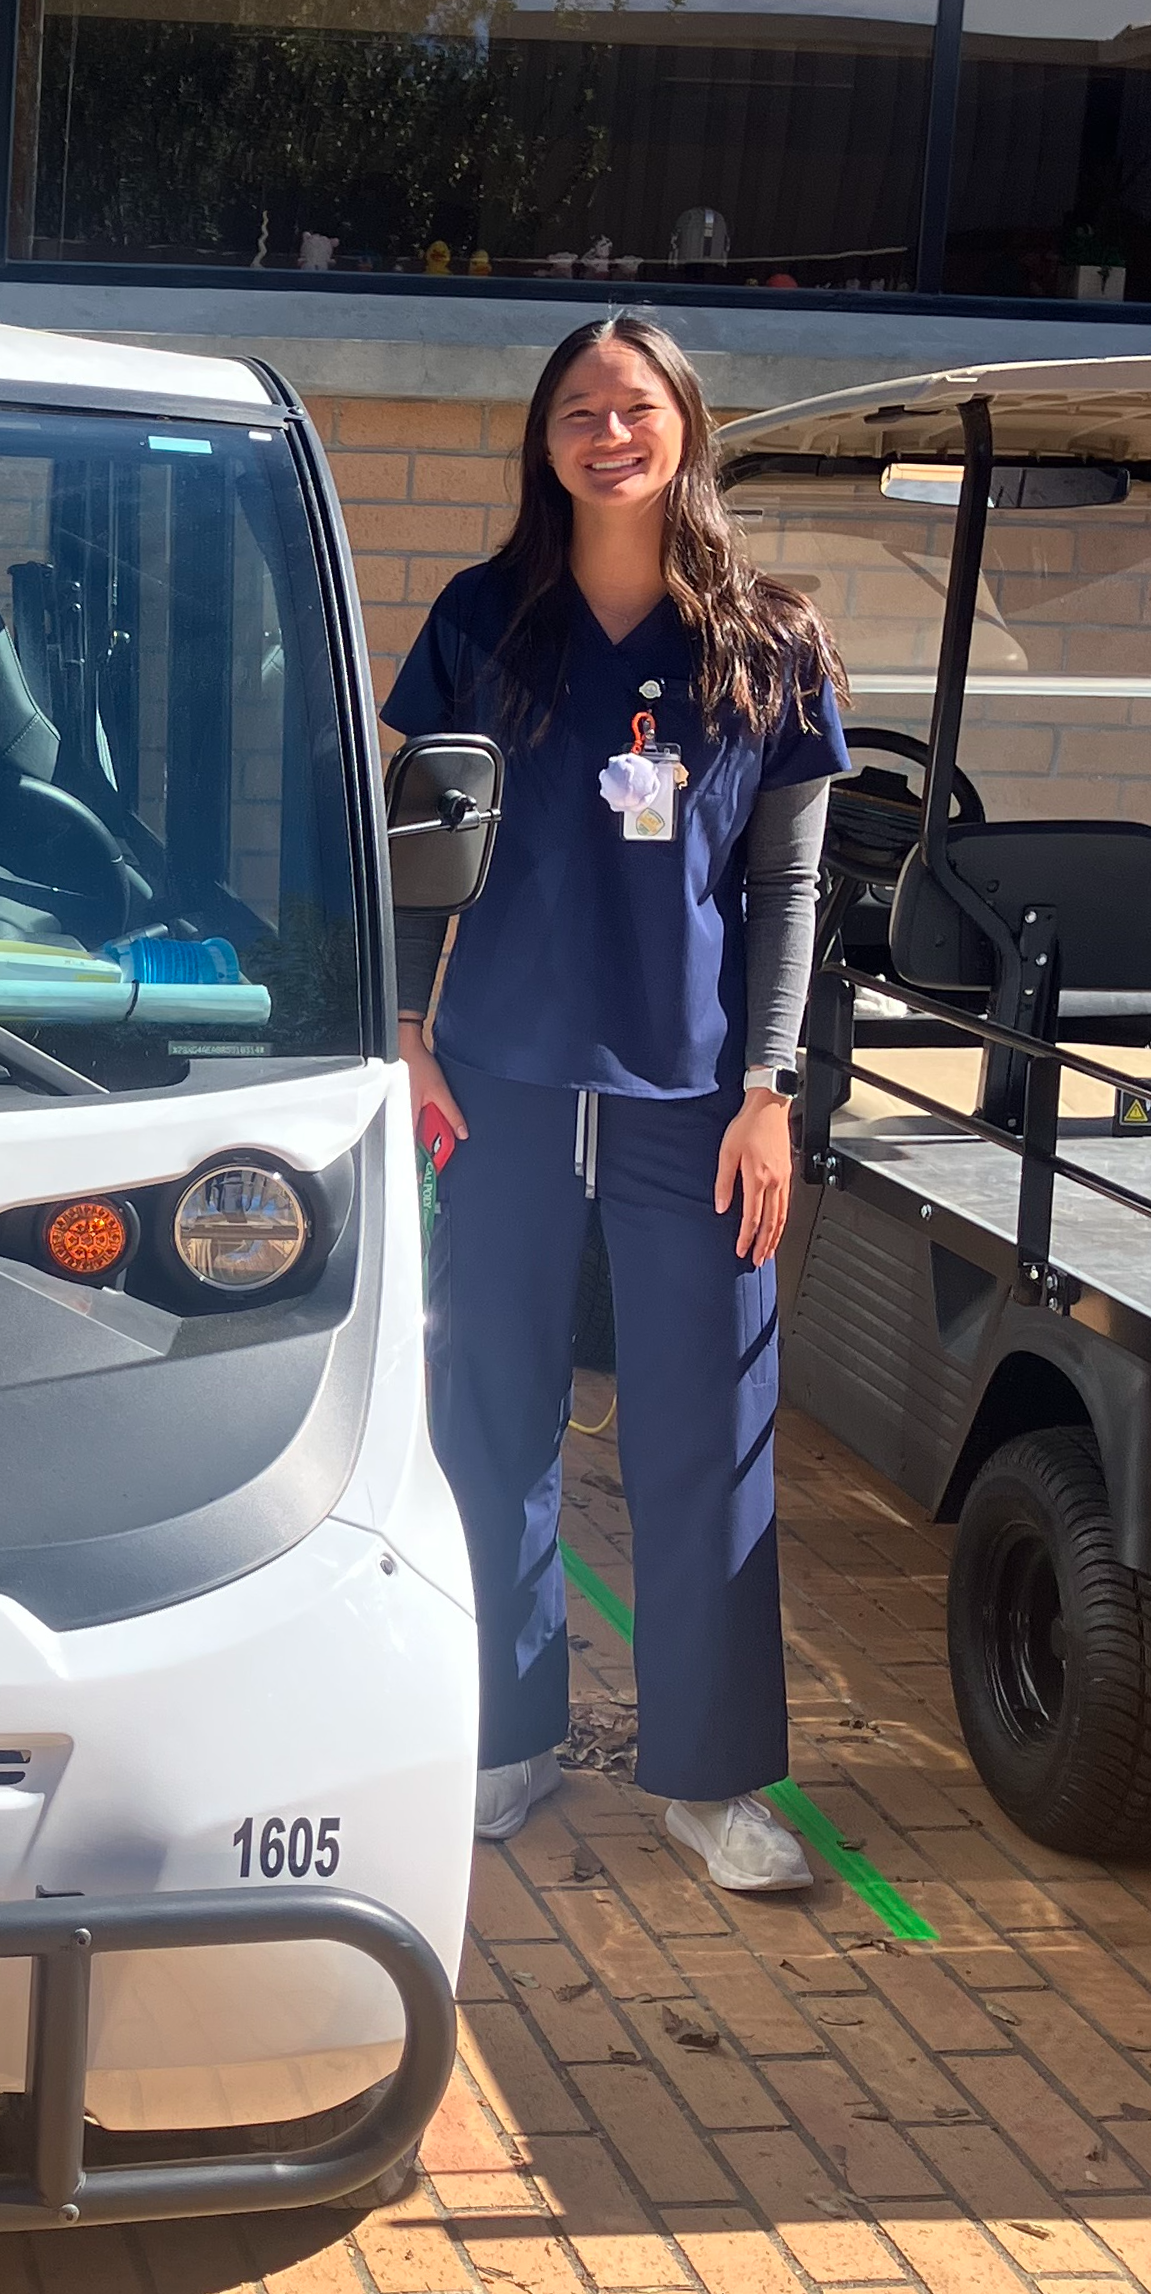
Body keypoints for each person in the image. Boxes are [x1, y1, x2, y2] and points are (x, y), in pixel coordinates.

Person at [388, 316, 852, 1894]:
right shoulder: (479, 621)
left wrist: (772, 1086)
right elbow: (418, 847)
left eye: (633, 406)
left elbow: (788, 883)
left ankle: (712, 1780)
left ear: (684, 430)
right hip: (503, 1082)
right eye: (578, 408)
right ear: (544, 437)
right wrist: (407, 1032)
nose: (606, 431)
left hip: (696, 1100)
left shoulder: (767, 639)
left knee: (705, 1431)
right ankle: (503, 1740)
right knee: (489, 1412)